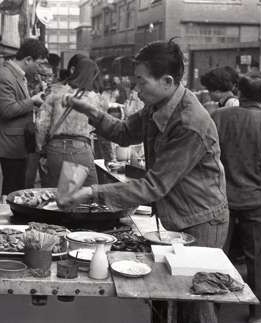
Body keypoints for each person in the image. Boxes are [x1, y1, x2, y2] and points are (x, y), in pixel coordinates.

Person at [59, 40, 228, 323]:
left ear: (167, 80)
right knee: (165, 296)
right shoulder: (158, 104)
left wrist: (90, 192)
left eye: (141, 81)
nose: (137, 89)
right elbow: (125, 132)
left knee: (196, 302)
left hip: (201, 220)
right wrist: (90, 110)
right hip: (176, 215)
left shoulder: (189, 122)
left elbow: (154, 186)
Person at [212, 72, 261, 323]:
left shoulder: (218, 117)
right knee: (258, 259)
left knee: (217, 257)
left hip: (220, 200)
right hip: (257, 202)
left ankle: (211, 309)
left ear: (238, 92)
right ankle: (259, 311)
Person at [0, 38, 48, 197]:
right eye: (39, 63)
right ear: (28, 60)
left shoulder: (18, 75)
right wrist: (33, 101)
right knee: (12, 187)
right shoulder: (5, 76)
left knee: (17, 185)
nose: (40, 68)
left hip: (17, 141)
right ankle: (7, 218)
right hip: (9, 144)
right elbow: (7, 110)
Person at [36, 57, 101, 187]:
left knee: (56, 195)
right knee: (89, 196)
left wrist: (41, 149)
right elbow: (96, 126)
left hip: (54, 148)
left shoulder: (56, 91)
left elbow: (41, 124)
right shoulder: (93, 98)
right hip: (80, 149)